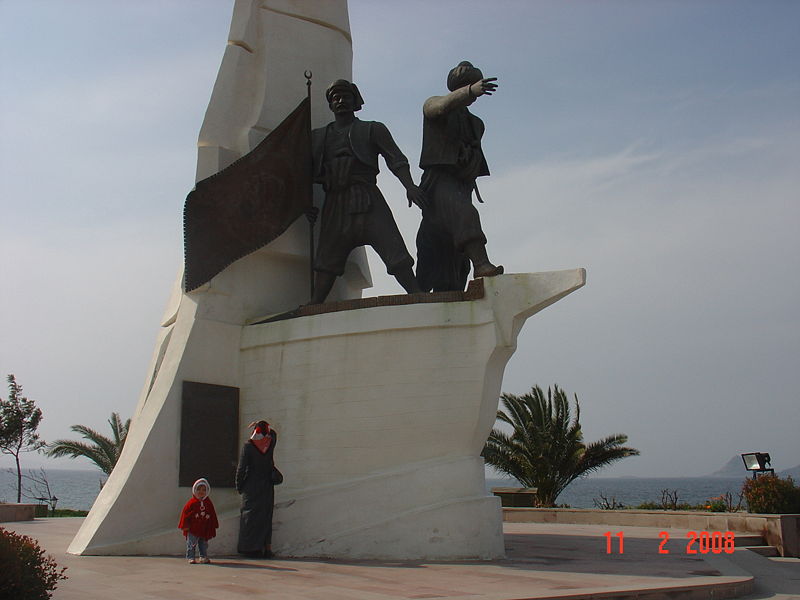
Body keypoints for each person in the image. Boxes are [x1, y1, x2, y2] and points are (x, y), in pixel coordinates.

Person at [308, 79, 426, 304]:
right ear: (330, 105)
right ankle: (316, 302)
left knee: (393, 247)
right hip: (335, 201)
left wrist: (409, 186)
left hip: (368, 197)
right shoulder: (318, 137)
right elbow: (304, 174)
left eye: (346, 97)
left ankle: (416, 293)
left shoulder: (372, 129)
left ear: (356, 102)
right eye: (335, 98)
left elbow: (396, 159)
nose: (340, 101)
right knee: (327, 257)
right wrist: (306, 205)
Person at [416, 60, 503, 292]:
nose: (472, 91)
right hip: (439, 182)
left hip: (461, 185)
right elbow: (440, 108)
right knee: (464, 215)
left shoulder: (477, 124)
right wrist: (469, 92)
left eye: (473, 86)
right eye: (466, 86)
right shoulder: (433, 104)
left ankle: (451, 285)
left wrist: (468, 160)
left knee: (451, 257)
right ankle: (482, 264)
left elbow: (473, 156)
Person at [236, 420, 278, 557]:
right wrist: (263, 425)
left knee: (250, 517)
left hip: (251, 486)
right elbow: (273, 433)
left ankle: (250, 548)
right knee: (266, 516)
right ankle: (266, 547)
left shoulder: (248, 446)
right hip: (267, 485)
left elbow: (241, 468)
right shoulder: (270, 443)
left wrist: (239, 485)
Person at [178, 477, 219, 564]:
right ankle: (191, 557)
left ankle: (203, 556)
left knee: (203, 544)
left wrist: (213, 524)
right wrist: (185, 526)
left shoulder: (208, 503)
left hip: (204, 528)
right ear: (194, 490)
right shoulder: (191, 503)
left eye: (204, 490)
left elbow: (212, 514)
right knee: (191, 543)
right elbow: (185, 515)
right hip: (193, 528)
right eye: (199, 489)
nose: (201, 492)